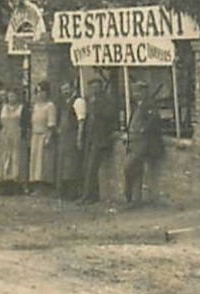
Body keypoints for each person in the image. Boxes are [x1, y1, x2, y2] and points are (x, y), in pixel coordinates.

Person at [123, 79, 164, 206]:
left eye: (137, 91)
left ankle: (129, 195)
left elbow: (154, 119)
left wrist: (143, 129)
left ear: (144, 92)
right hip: (133, 142)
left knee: (128, 167)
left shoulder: (149, 105)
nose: (135, 94)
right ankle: (135, 199)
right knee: (136, 170)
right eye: (134, 91)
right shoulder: (137, 105)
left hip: (144, 142)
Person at [79, 76, 118, 204]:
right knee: (86, 167)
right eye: (92, 87)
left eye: (96, 87)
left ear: (101, 87)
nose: (94, 89)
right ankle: (89, 195)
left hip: (101, 138)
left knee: (92, 167)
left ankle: (89, 196)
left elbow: (110, 115)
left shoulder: (106, 100)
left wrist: (98, 108)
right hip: (90, 136)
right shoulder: (90, 100)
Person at [0, 85, 29, 194]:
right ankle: (4, 183)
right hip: (5, 135)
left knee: (17, 158)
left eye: (13, 96)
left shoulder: (22, 108)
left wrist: (24, 137)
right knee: (5, 158)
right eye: (10, 96)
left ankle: (17, 184)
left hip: (17, 135)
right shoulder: (2, 108)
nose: (11, 98)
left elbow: (25, 124)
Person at [27, 81, 58, 195]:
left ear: (47, 93)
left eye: (42, 92)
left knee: (44, 162)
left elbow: (51, 123)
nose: (40, 94)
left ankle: (44, 187)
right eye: (38, 92)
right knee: (35, 162)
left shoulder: (50, 106)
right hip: (35, 135)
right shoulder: (35, 106)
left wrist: (48, 137)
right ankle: (35, 186)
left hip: (44, 135)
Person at [55, 81, 83, 201]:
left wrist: (79, 138)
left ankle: (73, 192)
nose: (65, 91)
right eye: (63, 89)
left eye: (67, 89)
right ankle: (63, 191)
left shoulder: (78, 102)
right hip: (64, 137)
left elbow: (81, 121)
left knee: (72, 165)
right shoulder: (62, 103)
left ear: (72, 88)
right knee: (63, 165)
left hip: (72, 136)